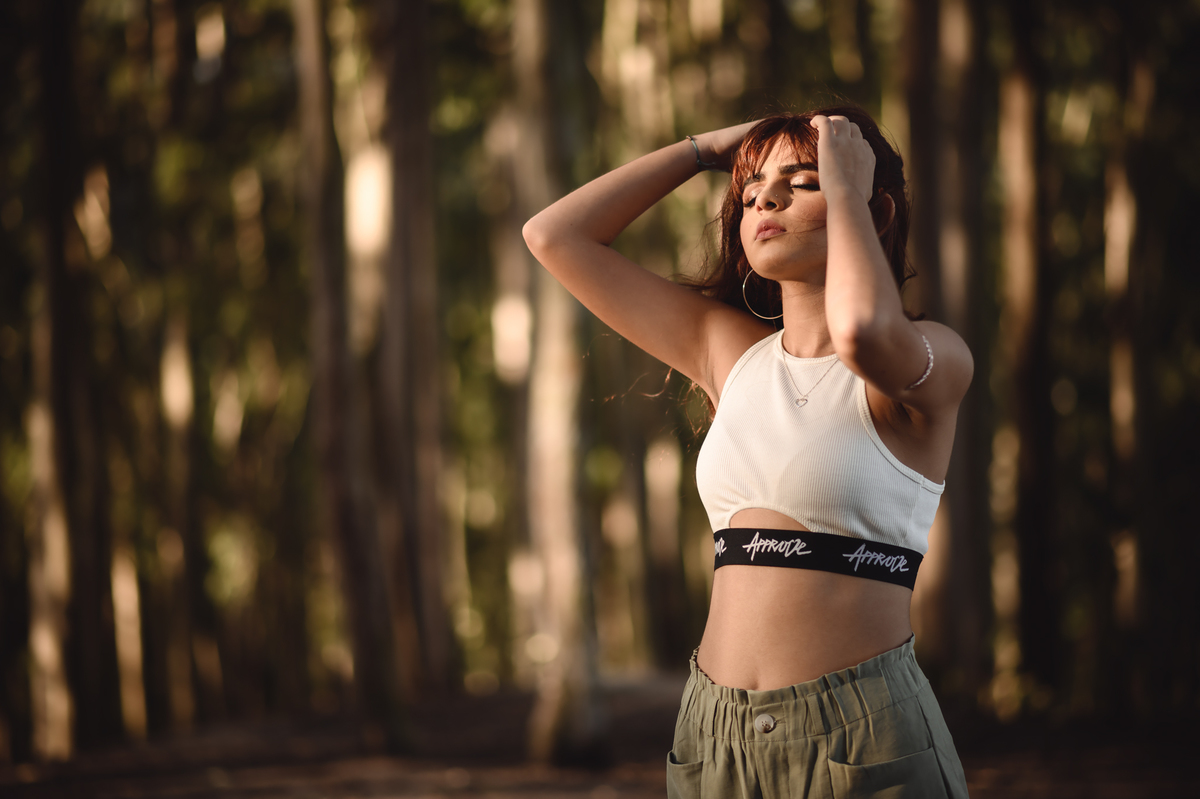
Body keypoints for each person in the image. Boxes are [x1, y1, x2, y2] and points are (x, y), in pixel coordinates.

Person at [523, 107, 972, 798]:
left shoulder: (932, 359)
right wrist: (704, 150)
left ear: (872, 208)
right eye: (753, 188)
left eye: (803, 181)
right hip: (713, 738)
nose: (765, 198)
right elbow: (553, 235)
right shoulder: (729, 353)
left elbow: (859, 330)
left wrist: (848, 187)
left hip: (862, 738)